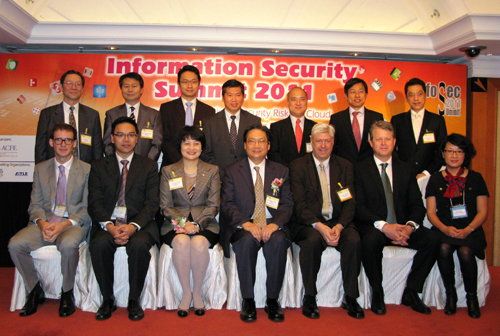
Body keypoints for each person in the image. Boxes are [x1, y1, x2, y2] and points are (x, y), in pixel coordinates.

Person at [354, 120, 439, 315]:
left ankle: (412, 290)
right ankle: (377, 291)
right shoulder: (359, 168)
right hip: (376, 226)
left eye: (387, 139)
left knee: (433, 239)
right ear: (370, 142)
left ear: (394, 142)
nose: (383, 144)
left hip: (402, 226)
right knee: (369, 241)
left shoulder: (406, 168)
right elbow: (359, 207)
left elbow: (417, 205)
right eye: (378, 139)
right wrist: (385, 227)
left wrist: (408, 227)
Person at [9, 123, 90, 317]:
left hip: (72, 223)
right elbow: (34, 205)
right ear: (51, 142)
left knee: (69, 245)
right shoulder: (40, 169)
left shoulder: (87, 170)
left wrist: (64, 224)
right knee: (15, 244)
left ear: (74, 144)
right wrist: (42, 223)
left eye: (68, 140)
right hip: (44, 222)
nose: (63, 144)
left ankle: (67, 293)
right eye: (59, 140)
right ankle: (35, 289)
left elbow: (88, 207)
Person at [88, 116, 159, 321]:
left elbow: (152, 204)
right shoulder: (99, 166)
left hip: (139, 224)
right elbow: (95, 202)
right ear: (112, 138)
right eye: (120, 135)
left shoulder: (148, 166)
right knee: (99, 245)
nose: (125, 140)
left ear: (137, 139)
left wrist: (132, 226)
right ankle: (107, 299)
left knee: (138, 246)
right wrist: (110, 227)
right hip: (108, 223)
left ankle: (134, 300)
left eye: (130, 135)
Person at [290, 123, 363, 319]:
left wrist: (339, 226)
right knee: (312, 241)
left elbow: (350, 203)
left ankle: (350, 296)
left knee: (353, 240)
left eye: (327, 141)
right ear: (311, 142)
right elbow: (299, 205)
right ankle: (310, 296)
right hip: (310, 223)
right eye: (319, 141)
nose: (323, 145)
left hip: (339, 221)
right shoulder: (298, 166)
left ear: (333, 142)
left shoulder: (345, 166)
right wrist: (320, 226)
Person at [220, 126, 292, 322]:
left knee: (277, 242)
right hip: (244, 225)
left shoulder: (281, 171)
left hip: (272, 223)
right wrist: (246, 224)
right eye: (252, 141)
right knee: (246, 243)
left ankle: (272, 300)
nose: (256, 145)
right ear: (244, 145)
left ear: (268, 146)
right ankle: (248, 300)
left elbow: (287, 204)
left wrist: (274, 224)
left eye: (261, 141)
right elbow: (227, 204)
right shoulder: (232, 171)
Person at [159, 126, 220, 318]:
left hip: (205, 222)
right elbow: (165, 205)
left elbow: (213, 205)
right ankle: (186, 292)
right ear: (180, 146)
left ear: (202, 147)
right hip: (175, 223)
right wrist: (182, 223)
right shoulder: (169, 171)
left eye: (196, 143)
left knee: (200, 242)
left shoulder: (212, 170)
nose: (191, 148)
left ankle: (198, 292)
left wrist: (197, 225)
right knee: (182, 241)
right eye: (187, 143)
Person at [425, 134, 487, 318]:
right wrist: (445, 228)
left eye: (459, 151)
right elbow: (430, 212)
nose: (454, 155)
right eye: (450, 151)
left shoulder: (476, 178)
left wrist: (468, 229)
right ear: (443, 154)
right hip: (444, 228)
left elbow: (482, 212)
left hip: (471, 229)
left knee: (465, 251)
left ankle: (471, 297)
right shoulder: (435, 179)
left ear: (466, 154)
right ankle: (450, 295)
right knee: (443, 248)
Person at [35, 69, 103, 164]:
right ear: (62, 87)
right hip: (54, 170)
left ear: (82, 88)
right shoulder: (47, 114)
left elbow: (97, 149)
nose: (73, 87)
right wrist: (42, 172)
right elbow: (40, 148)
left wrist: (97, 174)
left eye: (78, 84)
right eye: (69, 83)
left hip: (85, 171)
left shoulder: (92, 115)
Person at [391, 77, 447, 179]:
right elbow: (392, 150)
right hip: (403, 176)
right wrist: (402, 170)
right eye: (411, 95)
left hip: (430, 177)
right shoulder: (397, 120)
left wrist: (426, 173)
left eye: (419, 94)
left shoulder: (437, 121)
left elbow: (442, 151)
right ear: (407, 98)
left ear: (425, 95)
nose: (416, 99)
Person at [160, 65, 215, 167]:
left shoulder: (209, 111)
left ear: (199, 84)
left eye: (193, 82)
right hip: (172, 165)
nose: (189, 86)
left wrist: (195, 162)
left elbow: (208, 142)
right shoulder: (167, 108)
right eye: (185, 82)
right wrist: (181, 162)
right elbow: (164, 139)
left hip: (200, 166)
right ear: (179, 84)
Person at [202, 79, 261, 169]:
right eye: (229, 95)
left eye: (238, 95)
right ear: (223, 97)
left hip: (246, 175)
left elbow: (258, 151)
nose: (234, 99)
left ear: (243, 97)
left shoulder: (254, 121)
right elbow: (206, 153)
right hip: (219, 176)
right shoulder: (210, 123)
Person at [103, 72, 162, 161]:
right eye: (126, 86)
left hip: (144, 166)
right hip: (118, 166)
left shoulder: (153, 115)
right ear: (121, 89)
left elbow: (157, 144)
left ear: (141, 90)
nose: (130, 90)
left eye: (134, 86)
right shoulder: (111, 114)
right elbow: (108, 143)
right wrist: (117, 163)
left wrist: (146, 164)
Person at [329, 77, 383, 164]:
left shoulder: (376, 117)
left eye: (361, 92)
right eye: (353, 92)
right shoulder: (336, 119)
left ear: (366, 94)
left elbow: (380, 145)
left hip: (370, 167)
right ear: (346, 95)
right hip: (344, 168)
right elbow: (332, 146)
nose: (357, 95)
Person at [269, 87, 316, 166]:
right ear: (288, 102)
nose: (298, 103)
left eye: (302, 99)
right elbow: (273, 154)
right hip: (284, 174)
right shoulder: (276, 127)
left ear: (307, 102)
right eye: (293, 99)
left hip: (309, 175)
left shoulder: (315, 127)